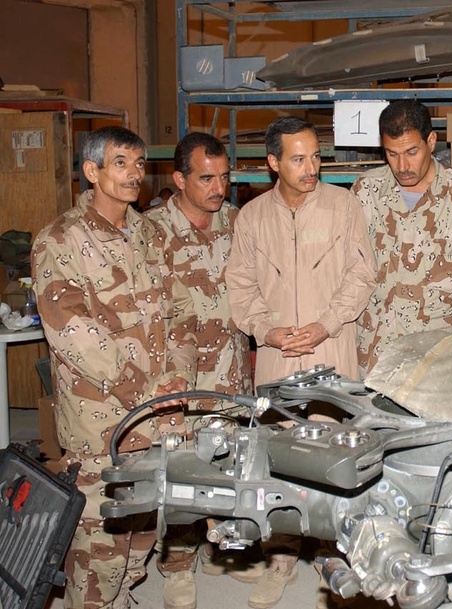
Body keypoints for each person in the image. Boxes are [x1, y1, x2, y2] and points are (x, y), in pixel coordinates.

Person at [31, 126, 198, 609]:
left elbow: (182, 310)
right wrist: (141, 386)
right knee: (101, 540)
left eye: (140, 164)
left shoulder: (149, 232)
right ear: (92, 171)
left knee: (145, 524)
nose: (133, 174)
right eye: (120, 162)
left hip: (159, 411)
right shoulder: (59, 240)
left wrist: (178, 373)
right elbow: (70, 332)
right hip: (102, 417)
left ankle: (122, 597)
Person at [226, 116, 377, 609]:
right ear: (273, 162)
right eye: (298, 158)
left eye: (316, 156)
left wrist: (327, 323)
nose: (311, 167)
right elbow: (241, 285)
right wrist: (265, 330)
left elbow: (361, 274)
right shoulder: (251, 218)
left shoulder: (344, 206)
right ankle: (281, 559)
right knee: (280, 460)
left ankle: (337, 556)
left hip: (330, 352)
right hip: (277, 358)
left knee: (336, 457)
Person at [145, 132, 256, 609]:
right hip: (181, 379)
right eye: (206, 178)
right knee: (180, 471)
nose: (219, 187)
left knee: (229, 466)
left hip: (231, 373)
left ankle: (218, 547)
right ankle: (175, 567)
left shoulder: (237, 222)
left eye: (224, 176)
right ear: (178, 179)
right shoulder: (151, 231)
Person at [351, 99, 452, 376]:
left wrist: (441, 301)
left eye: (411, 152)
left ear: (431, 141)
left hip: (440, 350)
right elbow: (348, 265)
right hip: (377, 349)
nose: (402, 165)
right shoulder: (366, 191)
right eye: (392, 154)